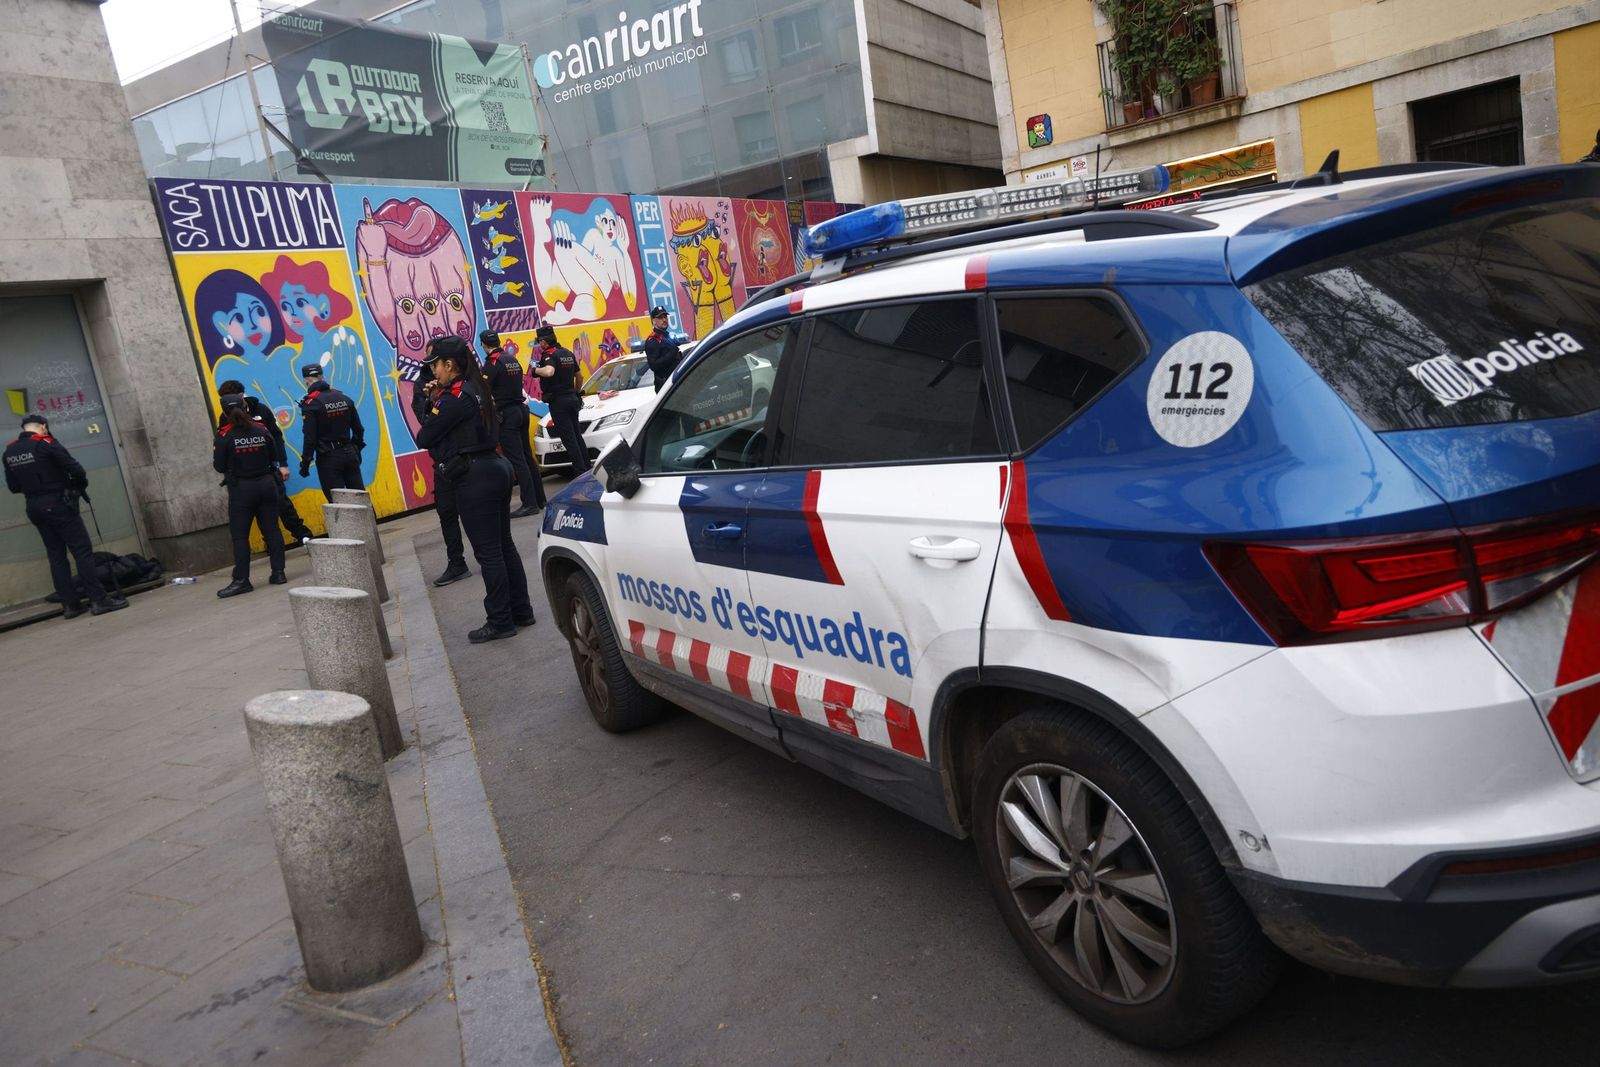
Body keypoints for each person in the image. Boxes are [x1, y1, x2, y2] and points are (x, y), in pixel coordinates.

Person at [416, 335, 536, 642]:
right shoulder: (476, 387)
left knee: (489, 553)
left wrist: (431, 401)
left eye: (436, 367)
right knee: (504, 545)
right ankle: (521, 610)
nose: (433, 374)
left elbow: (425, 436)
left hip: (475, 476)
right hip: (494, 466)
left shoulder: (454, 397)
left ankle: (500, 620)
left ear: (450, 365)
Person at [4, 417, 128, 618]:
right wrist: (76, 486)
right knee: (82, 550)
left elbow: (13, 487)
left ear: (23, 429)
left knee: (56, 555)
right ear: (44, 426)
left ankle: (71, 606)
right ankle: (99, 600)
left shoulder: (9, 451)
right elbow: (77, 470)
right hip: (57, 503)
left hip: (33, 506)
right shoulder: (46, 443)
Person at [215, 379, 314, 545]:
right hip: (244, 475)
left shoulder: (260, 410)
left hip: (268, 469)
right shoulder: (224, 418)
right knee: (259, 511)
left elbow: (276, 436)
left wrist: (282, 464)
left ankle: (303, 535)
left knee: (283, 504)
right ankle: (272, 544)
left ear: (241, 396)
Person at [213, 397, 288, 598]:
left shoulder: (224, 435)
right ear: (245, 408)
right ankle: (278, 573)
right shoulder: (262, 429)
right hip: (266, 484)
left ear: (225, 413)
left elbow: (219, 466)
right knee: (272, 529)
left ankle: (241, 580)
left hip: (242, 489)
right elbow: (273, 455)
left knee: (240, 535)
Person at [413, 341, 472, 587]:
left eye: (436, 363)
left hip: (464, 461)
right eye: (431, 363)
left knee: (474, 518)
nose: (433, 369)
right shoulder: (425, 385)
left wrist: (439, 402)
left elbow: (427, 434)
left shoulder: (461, 389)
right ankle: (456, 562)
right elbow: (424, 424)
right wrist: (432, 400)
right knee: (447, 513)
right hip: (444, 460)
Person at [481, 329, 546, 516]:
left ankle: (529, 503)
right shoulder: (511, 359)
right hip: (521, 411)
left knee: (517, 459)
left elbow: (485, 390)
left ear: (484, 345)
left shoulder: (492, 363)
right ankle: (540, 499)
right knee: (526, 455)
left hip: (506, 414)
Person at [297, 363, 365, 494]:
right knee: (360, 496)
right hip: (350, 453)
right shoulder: (343, 398)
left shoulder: (311, 404)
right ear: (322, 377)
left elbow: (310, 438)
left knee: (338, 501)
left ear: (306, 380)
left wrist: (305, 464)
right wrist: (356, 450)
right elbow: (359, 429)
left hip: (329, 457)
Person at [532, 324, 589, 474]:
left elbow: (549, 372)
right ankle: (588, 468)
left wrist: (535, 370)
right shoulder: (567, 353)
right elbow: (580, 376)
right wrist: (575, 392)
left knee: (568, 438)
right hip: (572, 398)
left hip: (559, 401)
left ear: (543, 342)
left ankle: (580, 472)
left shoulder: (548, 354)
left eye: (540, 342)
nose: (540, 345)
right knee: (577, 435)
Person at [640, 306, 683, 393]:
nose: (664, 320)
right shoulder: (653, 340)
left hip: (676, 384)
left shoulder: (666, 336)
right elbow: (654, 365)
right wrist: (672, 353)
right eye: (660, 318)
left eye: (665, 317)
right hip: (666, 388)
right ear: (654, 321)